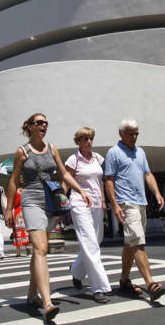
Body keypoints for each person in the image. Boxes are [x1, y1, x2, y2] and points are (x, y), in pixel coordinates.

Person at [4, 113, 91, 323]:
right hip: (31, 200)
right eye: (39, 123)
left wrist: (80, 190)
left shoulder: (51, 148)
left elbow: (64, 174)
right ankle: (47, 302)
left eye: (45, 123)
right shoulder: (22, 152)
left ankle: (31, 296)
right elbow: (14, 181)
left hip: (51, 203)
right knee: (41, 248)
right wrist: (8, 209)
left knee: (38, 252)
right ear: (30, 127)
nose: (43, 126)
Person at [104, 118, 165, 301]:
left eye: (136, 133)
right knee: (138, 241)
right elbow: (109, 180)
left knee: (130, 244)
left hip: (142, 202)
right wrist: (115, 205)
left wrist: (157, 193)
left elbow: (147, 174)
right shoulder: (113, 153)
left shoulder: (141, 152)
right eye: (130, 133)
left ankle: (124, 281)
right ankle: (150, 283)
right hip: (126, 203)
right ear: (121, 134)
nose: (134, 137)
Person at [64, 127, 111, 303]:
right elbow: (67, 180)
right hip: (79, 204)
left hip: (97, 205)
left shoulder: (98, 158)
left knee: (95, 241)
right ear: (78, 141)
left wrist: (104, 202)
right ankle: (99, 287)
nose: (88, 142)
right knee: (91, 245)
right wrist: (61, 200)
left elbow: (101, 182)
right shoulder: (73, 159)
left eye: (90, 138)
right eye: (84, 139)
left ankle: (76, 270)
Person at [12, 187, 30, 256]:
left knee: (17, 231)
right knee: (24, 230)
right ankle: (26, 247)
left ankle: (18, 252)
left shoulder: (15, 191)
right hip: (24, 210)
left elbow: (14, 203)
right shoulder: (25, 190)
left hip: (17, 211)